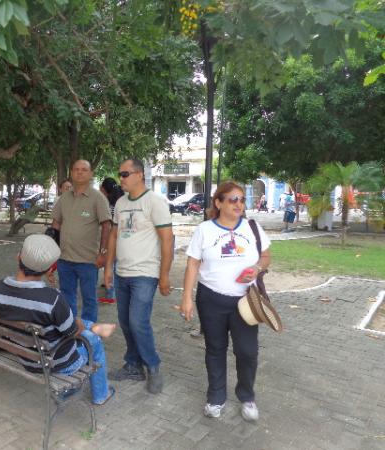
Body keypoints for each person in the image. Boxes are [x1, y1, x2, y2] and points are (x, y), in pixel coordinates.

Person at [177, 181, 271, 422]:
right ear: (218, 203)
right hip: (211, 299)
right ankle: (216, 397)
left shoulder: (252, 227)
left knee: (247, 352)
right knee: (215, 349)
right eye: (232, 199)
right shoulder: (205, 230)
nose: (239, 204)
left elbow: (266, 255)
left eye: (241, 199)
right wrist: (186, 297)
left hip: (246, 301)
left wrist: (257, 268)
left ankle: (247, 396)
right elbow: (193, 264)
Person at [0, 234, 116, 405]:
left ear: (18, 257)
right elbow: (73, 332)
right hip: (55, 363)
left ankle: (93, 326)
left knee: (73, 323)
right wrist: (80, 326)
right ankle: (101, 394)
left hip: (25, 356)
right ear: (49, 270)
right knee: (93, 340)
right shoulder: (52, 299)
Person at [105, 158, 174, 394]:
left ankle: (152, 366)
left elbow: (167, 239)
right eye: (120, 174)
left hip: (145, 273)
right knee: (125, 322)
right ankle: (133, 365)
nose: (121, 179)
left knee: (137, 321)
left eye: (124, 174)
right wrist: (107, 268)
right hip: (122, 273)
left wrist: (164, 275)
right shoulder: (121, 203)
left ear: (139, 175)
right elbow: (114, 235)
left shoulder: (155, 202)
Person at [51, 160, 112, 323]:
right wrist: (50, 248)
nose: (80, 172)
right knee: (67, 296)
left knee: (89, 299)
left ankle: (88, 334)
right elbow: (56, 223)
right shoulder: (64, 198)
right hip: (64, 259)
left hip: (88, 260)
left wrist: (103, 253)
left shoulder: (98, 198)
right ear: (71, 173)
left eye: (84, 170)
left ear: (91, 174)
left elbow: (107, 226)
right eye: (76, 169)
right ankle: (69, 330)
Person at [98, 178, 124, 305]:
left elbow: (108, 226)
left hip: (112, 238)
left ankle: (110, 295)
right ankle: (111, 289)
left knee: (110, 265)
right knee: (115, 265)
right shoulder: (122, 200)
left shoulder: (108, 204)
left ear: (104, 189)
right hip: (122, 238)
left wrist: (105, 245)